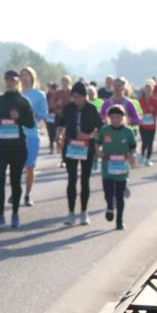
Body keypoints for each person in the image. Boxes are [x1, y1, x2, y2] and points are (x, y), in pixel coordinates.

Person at [0, 70, 34, 228]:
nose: (10, 83)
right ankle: (0, 216)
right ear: (4, 81)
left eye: (13, 80)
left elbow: (31, 124)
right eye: (7, 80)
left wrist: (19, 118)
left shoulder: (24, 101)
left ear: (18, 82)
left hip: (18, 147)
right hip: (0, 146)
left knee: (15, 182)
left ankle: (15, 214)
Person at [57, 82, 103, 226]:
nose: (75, 99)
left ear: (84, 97)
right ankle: (71, 213)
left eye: (78, 97)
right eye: (74, 96)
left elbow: (100, 128)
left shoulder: (91, 109)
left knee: (85, 180)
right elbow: (60, 123)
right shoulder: (68, 109)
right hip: (71, 147)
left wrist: (89, 136)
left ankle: (84, 212)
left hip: (86, 147)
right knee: (71, 180)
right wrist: (59, 136)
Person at [98, 105, 137, 230]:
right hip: (107, 169)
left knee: (120, 196)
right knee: (108, 193)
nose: (115, 120)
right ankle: (110, 206)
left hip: (122, 170)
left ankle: (119, 221)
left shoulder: (128, 131)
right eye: (113, 117)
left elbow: (133, 147)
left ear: (123, 118)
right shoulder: (104, 130)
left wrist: (132, 156)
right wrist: (98, 152)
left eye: (118, 117)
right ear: (109, 118)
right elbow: (97, 144)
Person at [19, 67, 48, 206]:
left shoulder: (39, 94)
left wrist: (31, 112)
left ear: (32, 77)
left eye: (27, 75)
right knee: (16, 167)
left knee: (30, 167)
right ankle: (15, 192)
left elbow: (44, 114)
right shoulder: (16, 94)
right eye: (22, 75)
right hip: (16, 135)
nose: (24, 77)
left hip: (32, 135)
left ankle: (27, 194)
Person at [48, 76, 73, 157]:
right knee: (59, 137)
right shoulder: (57, 93)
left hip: (70, 117)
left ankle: (68, 155)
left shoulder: (72, 93)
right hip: (60, 117)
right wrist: (57, 104)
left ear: (70, 82)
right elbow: (51, 105)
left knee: (68, 137)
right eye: (63, 81)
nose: (64, 83)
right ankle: (62, 153)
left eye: (66, 81)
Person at [137, 80, 157, 166]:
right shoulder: (140, 100)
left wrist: (153, 111)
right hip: (143, 125)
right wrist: (142, 112)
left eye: (149, 89)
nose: (148, 91)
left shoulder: (155, 101)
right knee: (144, 141)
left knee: (150, 142)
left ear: (152, 90)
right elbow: (137, 111)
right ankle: (142, 155)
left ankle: (148, 158)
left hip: (152, 125)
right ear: (144, 90)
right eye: (146, 89)